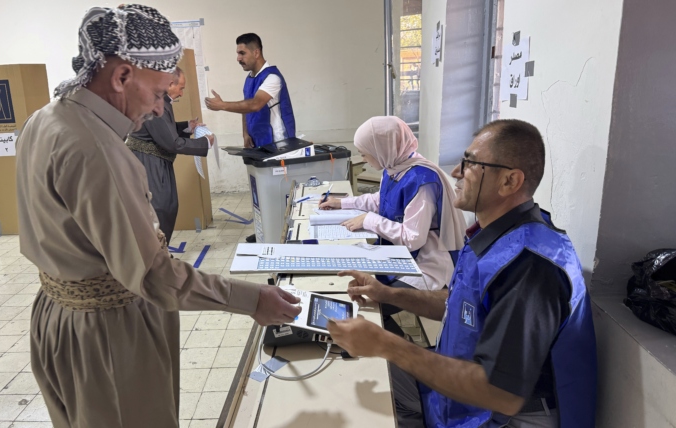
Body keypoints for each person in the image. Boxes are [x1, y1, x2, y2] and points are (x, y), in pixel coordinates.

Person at [15, 5, 300, 428]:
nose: (158, 108)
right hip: (109, 337)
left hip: (57, 322)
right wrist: (252, 299)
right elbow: (155, 277)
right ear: (122, 76)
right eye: (159, 93)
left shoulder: (45, 119)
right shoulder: (98, 150)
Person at [327, 119, 597, 427]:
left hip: (498, 414)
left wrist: (387, 345)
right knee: (364, 380)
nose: (456, 172)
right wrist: (387, 294)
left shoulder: (528, 266)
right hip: (460, 389)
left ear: (509, 181)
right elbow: (462, 304)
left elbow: (501, 393)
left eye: (470, 164)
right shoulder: (495, 237)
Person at [319, 116, 467, 335]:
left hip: (427, 265)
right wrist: (341, 203)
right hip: (404, 257)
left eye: (365, 151)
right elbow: (381, 200)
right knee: (360, 288)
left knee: (370, 304)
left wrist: (369, 220)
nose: (363, 157)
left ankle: (395, 349)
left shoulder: (420, 180)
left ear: (381, 148)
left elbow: (412, 238)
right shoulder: (395, 167)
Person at [205, 33, 297, 243]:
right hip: (258, 143)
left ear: (256, 52)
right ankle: (266, 228)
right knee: (260, 191)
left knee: (277, 191)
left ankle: (280, 234)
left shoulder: (272, 77)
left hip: (277, 143)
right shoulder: (250, 79)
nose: (238, 58)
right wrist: (245, 133)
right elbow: (246, 108)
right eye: (238, 53)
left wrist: (222, 106)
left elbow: (255, 104)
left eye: (242, 53)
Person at [127, 66, 214, 241]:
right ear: (169, 83)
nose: (182, 93)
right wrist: (204, 143)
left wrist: (187, 126)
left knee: (167, 206)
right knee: (160, 208)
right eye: (181, 88)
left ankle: (160, 251)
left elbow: (165, 129)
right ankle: (157, 254)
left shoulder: (160, 100)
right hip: (149, 163)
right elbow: (171, 142)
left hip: (155, 160)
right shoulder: (154, 103)